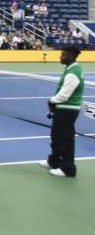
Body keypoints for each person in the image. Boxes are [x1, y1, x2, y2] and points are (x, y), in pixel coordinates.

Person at [40, 45, 84, 177]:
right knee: (56, 136)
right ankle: (54, 161)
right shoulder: (70, 69)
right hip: (63, 109)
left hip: (67, 110)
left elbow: (65, 94)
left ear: (71, 56)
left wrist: (51, 101)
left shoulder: (73, 72)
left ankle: (67, 168)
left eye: (63, 54)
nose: (61, 56)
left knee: (65, 139)